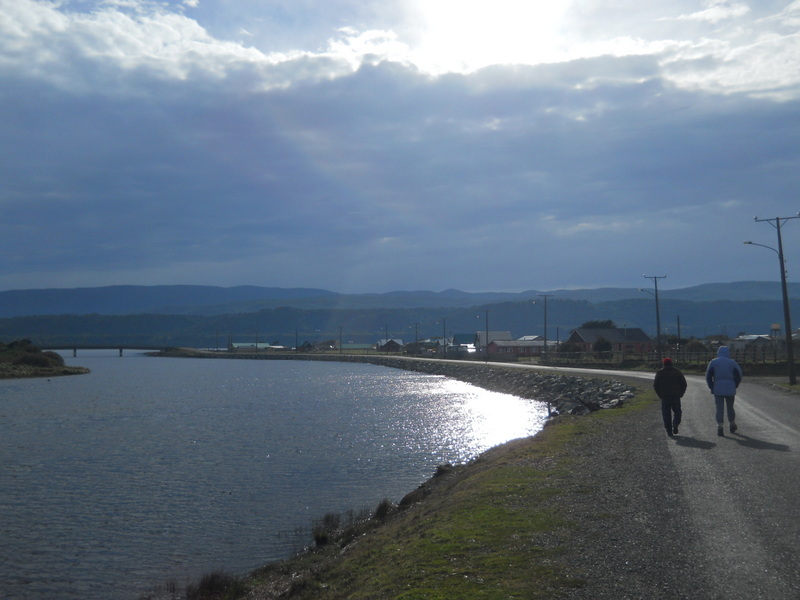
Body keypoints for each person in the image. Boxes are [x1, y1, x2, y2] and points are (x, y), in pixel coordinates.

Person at [705, 345, 743, 436]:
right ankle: (732, 423)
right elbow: (739, 375)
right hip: (730, 387)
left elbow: (708, 376)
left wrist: (711, 387)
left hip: (718, 387)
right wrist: (735, 385)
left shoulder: (713, 362)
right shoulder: (732, 363)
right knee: (730, 407)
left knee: (719, 408)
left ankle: (720, 426)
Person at [654, 357, 687, 437]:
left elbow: (656, 385)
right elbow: (684, 383)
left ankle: (669, 430)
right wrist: (681, 393)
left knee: (666, 414)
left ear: (664, 364)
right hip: (675, 395)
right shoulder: (677, 372)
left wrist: (659, 394)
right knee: (677, 412)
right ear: (671, 363)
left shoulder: (660, 373)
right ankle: (675, 423)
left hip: (664, 396)